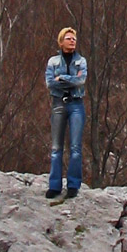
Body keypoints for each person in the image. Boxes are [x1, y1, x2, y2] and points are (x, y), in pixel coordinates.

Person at [45, 27, 87, 199]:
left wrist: (61, 78)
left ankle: (73, 185)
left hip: (76, 105)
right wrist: (70, 80)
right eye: (69, 38)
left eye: (74, 39)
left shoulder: (81, 61)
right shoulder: (53, 61)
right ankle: (54, 186)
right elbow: (49, 84)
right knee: (56, 147)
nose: (72, 41)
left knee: (76, 147)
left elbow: (81, 80)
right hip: (58, 105)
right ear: (61, 41)